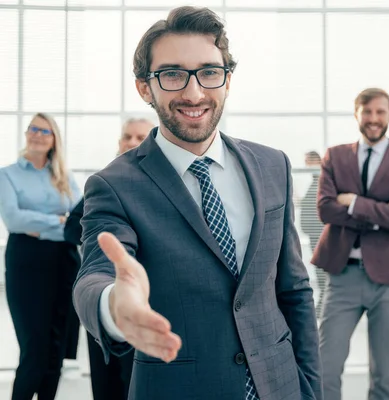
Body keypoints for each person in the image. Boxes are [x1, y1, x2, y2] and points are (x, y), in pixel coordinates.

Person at [72, 6, 321, 400]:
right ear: (144, 88)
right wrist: (114, 305)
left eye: (208, 72)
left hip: (281, 386)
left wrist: (309, 386)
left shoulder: (273, 165)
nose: (194, 93)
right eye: (172, 74)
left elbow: (294, 291)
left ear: (227, 80)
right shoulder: (113, 184)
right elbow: (95, 275)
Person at [312, 88, 389, 400]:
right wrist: (387, 208)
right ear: (357, 114)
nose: (374, 119)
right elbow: (325, 210)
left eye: (380, 112)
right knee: (326, 366)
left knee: (384, 374)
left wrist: (355, 203)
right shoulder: (335, 156)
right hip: (343, 274)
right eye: (368, 112)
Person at [64, 117, 154, 400]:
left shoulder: (165, 188)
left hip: (145, 300)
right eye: (127, 136)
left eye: (140, 137)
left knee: (134, 383)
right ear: (119, 143)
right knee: (105, 382)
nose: (132, 142)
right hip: (103, 291)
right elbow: (70, 228)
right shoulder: (103, 182)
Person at [0, 113, 82, 400]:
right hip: (26, 263)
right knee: (33, 348)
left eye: (44, 131)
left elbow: (79, 220)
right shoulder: (7, 174)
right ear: (26, 133)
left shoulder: (63, 176)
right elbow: (15, 220)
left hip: (64, 263)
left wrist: (45, 225)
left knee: (55, 348)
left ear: (53, 140)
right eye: (33, 128)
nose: (36, 134)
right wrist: (58, 222)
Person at [299, 151, 325, 317]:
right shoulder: (315, 182)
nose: (307, 166)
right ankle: (322, 305)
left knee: (322, 272)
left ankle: (322, 306)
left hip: (321, 236)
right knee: (320, 271)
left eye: (309, 162)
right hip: (315, 235)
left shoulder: (322, 182)